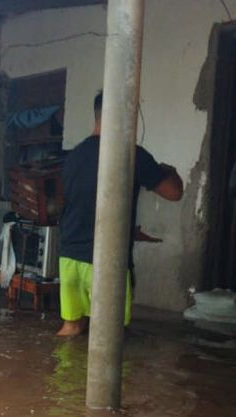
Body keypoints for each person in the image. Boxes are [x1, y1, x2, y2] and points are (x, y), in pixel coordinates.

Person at [56, 91, 183, 337]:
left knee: (71, 328)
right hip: (106, 260)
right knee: (108, 336)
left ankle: (58, 374)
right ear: (126, 115)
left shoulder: (73, 156)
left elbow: (82, 202)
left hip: (69, 256)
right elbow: (174, 193)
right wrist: (171, 171)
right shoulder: (131, 154)